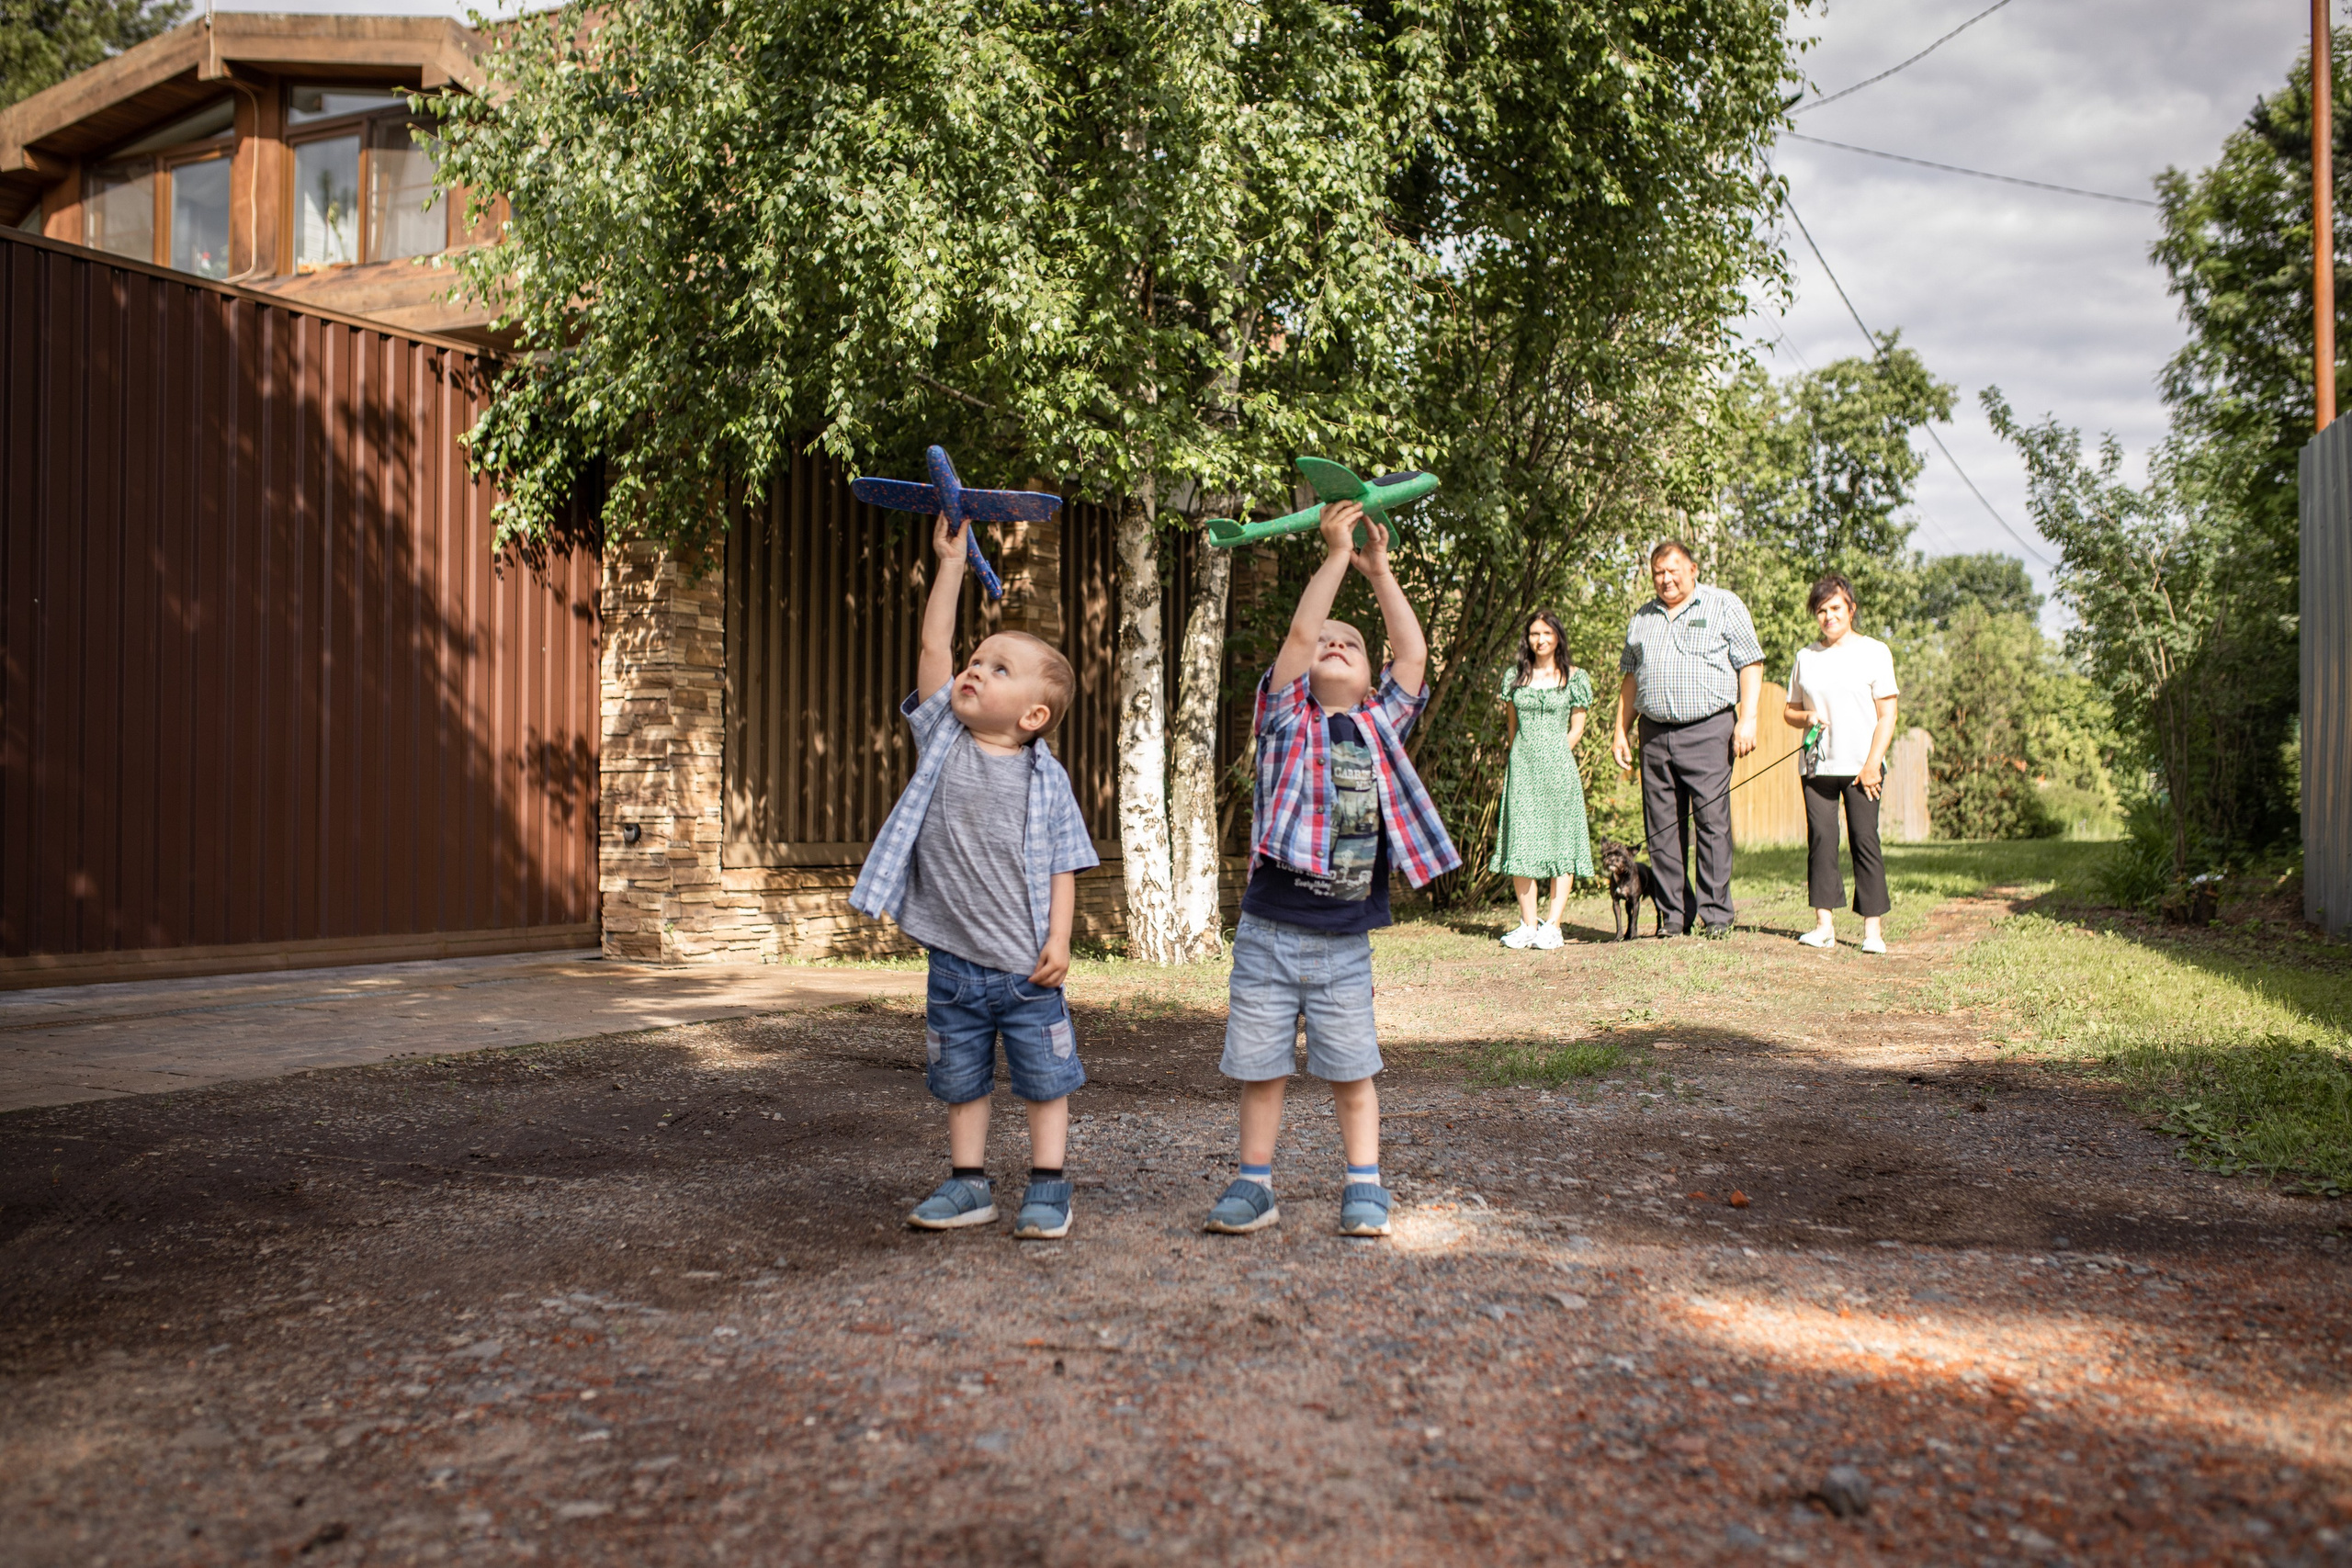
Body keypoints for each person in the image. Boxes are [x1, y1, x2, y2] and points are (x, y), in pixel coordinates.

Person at [1204, 500, 1460, 1240]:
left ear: (1369, 673)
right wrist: (1335, 558)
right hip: (1268, 933)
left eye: (1351, 641)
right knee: (1263, 1068)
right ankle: (1255, 1183)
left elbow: (1411, 658)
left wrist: (1378, 572)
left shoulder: (1381, 721)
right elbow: (1298, 632)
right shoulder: (1284, 719)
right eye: (1328, 641)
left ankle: (1364, 1184)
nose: (1334, 643)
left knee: (1353, 1070)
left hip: (1345, 939)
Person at [849, 510, 1099, 1240]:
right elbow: (933, 642)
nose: (972, 668)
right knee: (960, 1078)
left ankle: (1049, 1184)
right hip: (953, 962)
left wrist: (1061, 938)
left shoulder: (1046, 781)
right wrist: (950, 563)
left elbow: (1064, 864)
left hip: (1027, 969)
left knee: (1044, 1077)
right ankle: (969, 1184)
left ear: (1034, 714)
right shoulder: (942, 740)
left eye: (997, 668)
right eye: (977, 658)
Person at [1609, 540, 1765, 939]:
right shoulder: (1642, 618)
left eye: (1673, 570)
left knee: (1712, 823)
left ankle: (1716, 916)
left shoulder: (1723, 605)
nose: (1666, 579)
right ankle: (1674, 917)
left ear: (1693, 569)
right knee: (1662, 828)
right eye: (1658, 572)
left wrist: (1748, 718)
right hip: (1654, 732)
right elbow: (1630, 679)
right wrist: (1619, 730)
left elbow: (1751, 662)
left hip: (1709, 728)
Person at [1784, 572, 1900, 953]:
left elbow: (1888, 715)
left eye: (1835, 608)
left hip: (1862, 767)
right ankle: (1824, 926)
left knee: (1865, 841)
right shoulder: (1806, 657)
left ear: (1851, 608)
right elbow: (1790, 711)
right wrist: (1808, 718)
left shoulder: (1875, 651)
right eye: (1821, 610)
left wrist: (1872, 764)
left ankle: (1872, 932)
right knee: (1821, 841)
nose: (1828, 616)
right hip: (1818, 766)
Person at [1491, 610, 1595, 950]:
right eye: (1535, 633)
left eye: (1547, 633)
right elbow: (1512, 727)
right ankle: (1527, 925)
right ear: (1528, 638)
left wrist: (1554, 753)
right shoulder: (1514, 677)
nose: (1541, 639)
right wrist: (1522, 756)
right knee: (1522, 840)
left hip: (1559, 768)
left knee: (1560, 840)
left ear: (1558, 637)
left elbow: (1577, 728)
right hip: (1522, 768)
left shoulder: (1575, 678)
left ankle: (1553, 925)